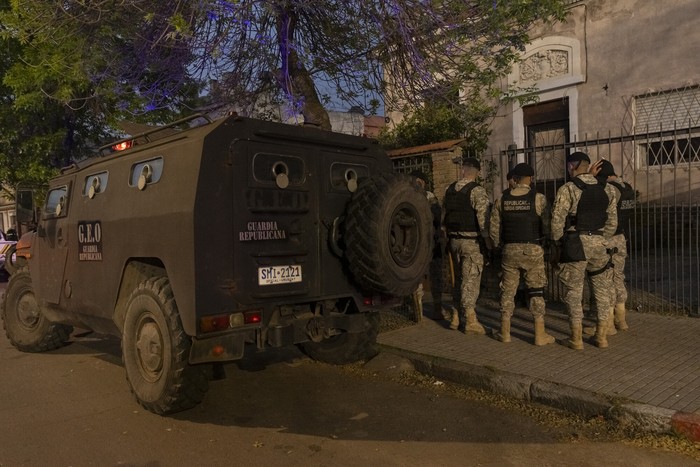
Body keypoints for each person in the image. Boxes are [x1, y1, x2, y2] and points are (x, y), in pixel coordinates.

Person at [551, 151, 617, 350]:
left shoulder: (568, 188)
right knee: (602, 290)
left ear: (572, 166)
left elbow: (556, 221)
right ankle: (601, 336)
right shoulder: (609, 190)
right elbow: (613, 222)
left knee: (574, 290)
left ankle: (576, 338)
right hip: (599, 244)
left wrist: (558, 242)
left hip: (575, 244)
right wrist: (600, 239)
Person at [489, 163, 555, 345]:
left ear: (515, 179)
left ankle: (505, 332)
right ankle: (540, 334)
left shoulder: (501, 199)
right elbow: (548, 226)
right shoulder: (539, 199)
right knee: (536, 290)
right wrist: (548, 244)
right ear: (531, 179)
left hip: (509, 250)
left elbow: (494, 230)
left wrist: (498, 246)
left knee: (508, 291)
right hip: (533, 248)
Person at [443, 157, 492, 334]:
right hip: (471, 242)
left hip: (453, 241)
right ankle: (471, 320)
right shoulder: (477, 191)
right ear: (477, 172)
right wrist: (489, 244)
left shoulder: (449, 190)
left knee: (459, 281)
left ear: (463, 170)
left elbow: (444, 216)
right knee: (470, 280)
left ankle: (456, 317)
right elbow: (483, 221)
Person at [587, 159, 635, 334]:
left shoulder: (610, 189)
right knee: (618, 277)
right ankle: (621, 320)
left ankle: (607, 325)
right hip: (621, 238)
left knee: (605, 280)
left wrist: (591, 178)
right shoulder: (627, 187)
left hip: (609, 237)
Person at [410, 170, 446, 320]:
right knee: (436, 275)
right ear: (422, 182)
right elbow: (438, 217)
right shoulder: (429, 196)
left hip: (414, 243)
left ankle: (418, 312)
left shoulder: (406, 195)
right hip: (431, 240)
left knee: (416, 277)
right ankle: (437, 309)